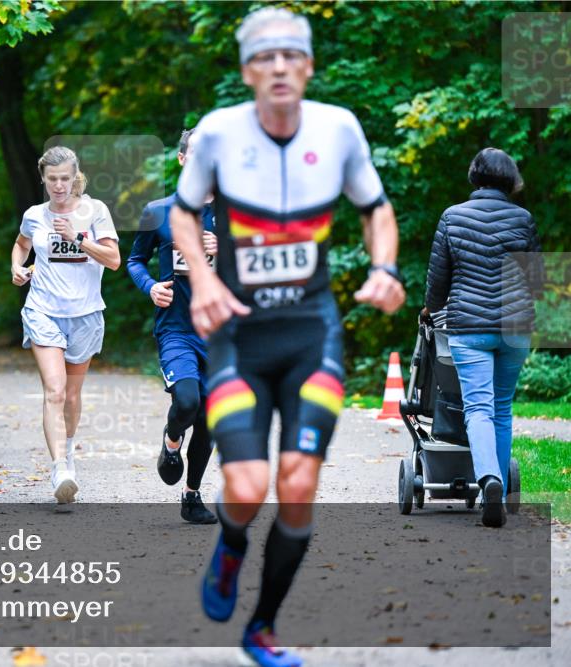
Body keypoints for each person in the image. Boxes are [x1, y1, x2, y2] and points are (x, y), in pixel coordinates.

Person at [169, 7, 405, 666]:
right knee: (247, 487)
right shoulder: (218, 134)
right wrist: (205, 282)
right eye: (264, 58)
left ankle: (263, 627)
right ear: (248, 71)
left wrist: (384, 267)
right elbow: (181, 216)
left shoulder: (338, 129)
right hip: (239, 339)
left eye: (290, 56)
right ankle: (231, 546)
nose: (278, 67)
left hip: (311, 336)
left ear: (308, 66)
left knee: (298, 486)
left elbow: (377, 210)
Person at [424, 147, 543, 528]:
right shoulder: (523, 219)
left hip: (469, 328)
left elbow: (438, 281)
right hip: (515, 328)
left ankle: (489, 478)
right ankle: (501, 490)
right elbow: (537, 282)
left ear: (475, 176)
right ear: (510, 178)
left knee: (478, 408)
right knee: (502, 408)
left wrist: (430, 309)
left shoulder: (452, 216)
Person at [10, 146, 120, 504]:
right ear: (43, 178)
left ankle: (68, 452)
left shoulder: (95, 211)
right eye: (52, 179)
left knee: (71, 396)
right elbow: (21, 244)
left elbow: (114, 260)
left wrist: (77, 237)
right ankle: (59, 468)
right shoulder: (34, 215)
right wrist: (17, 267)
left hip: (85, 314)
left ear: (75, 178)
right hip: (43, 310)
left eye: (65, 179)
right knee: (54, 391)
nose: (59, 185)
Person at [127, 129, 218, 524]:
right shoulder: (158, 211)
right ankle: (171, 440)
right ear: (182, 158)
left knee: (211, 418)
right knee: (187, 402)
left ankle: (192, 496)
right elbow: (134, 261)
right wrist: (150, 287)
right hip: (176, 328)